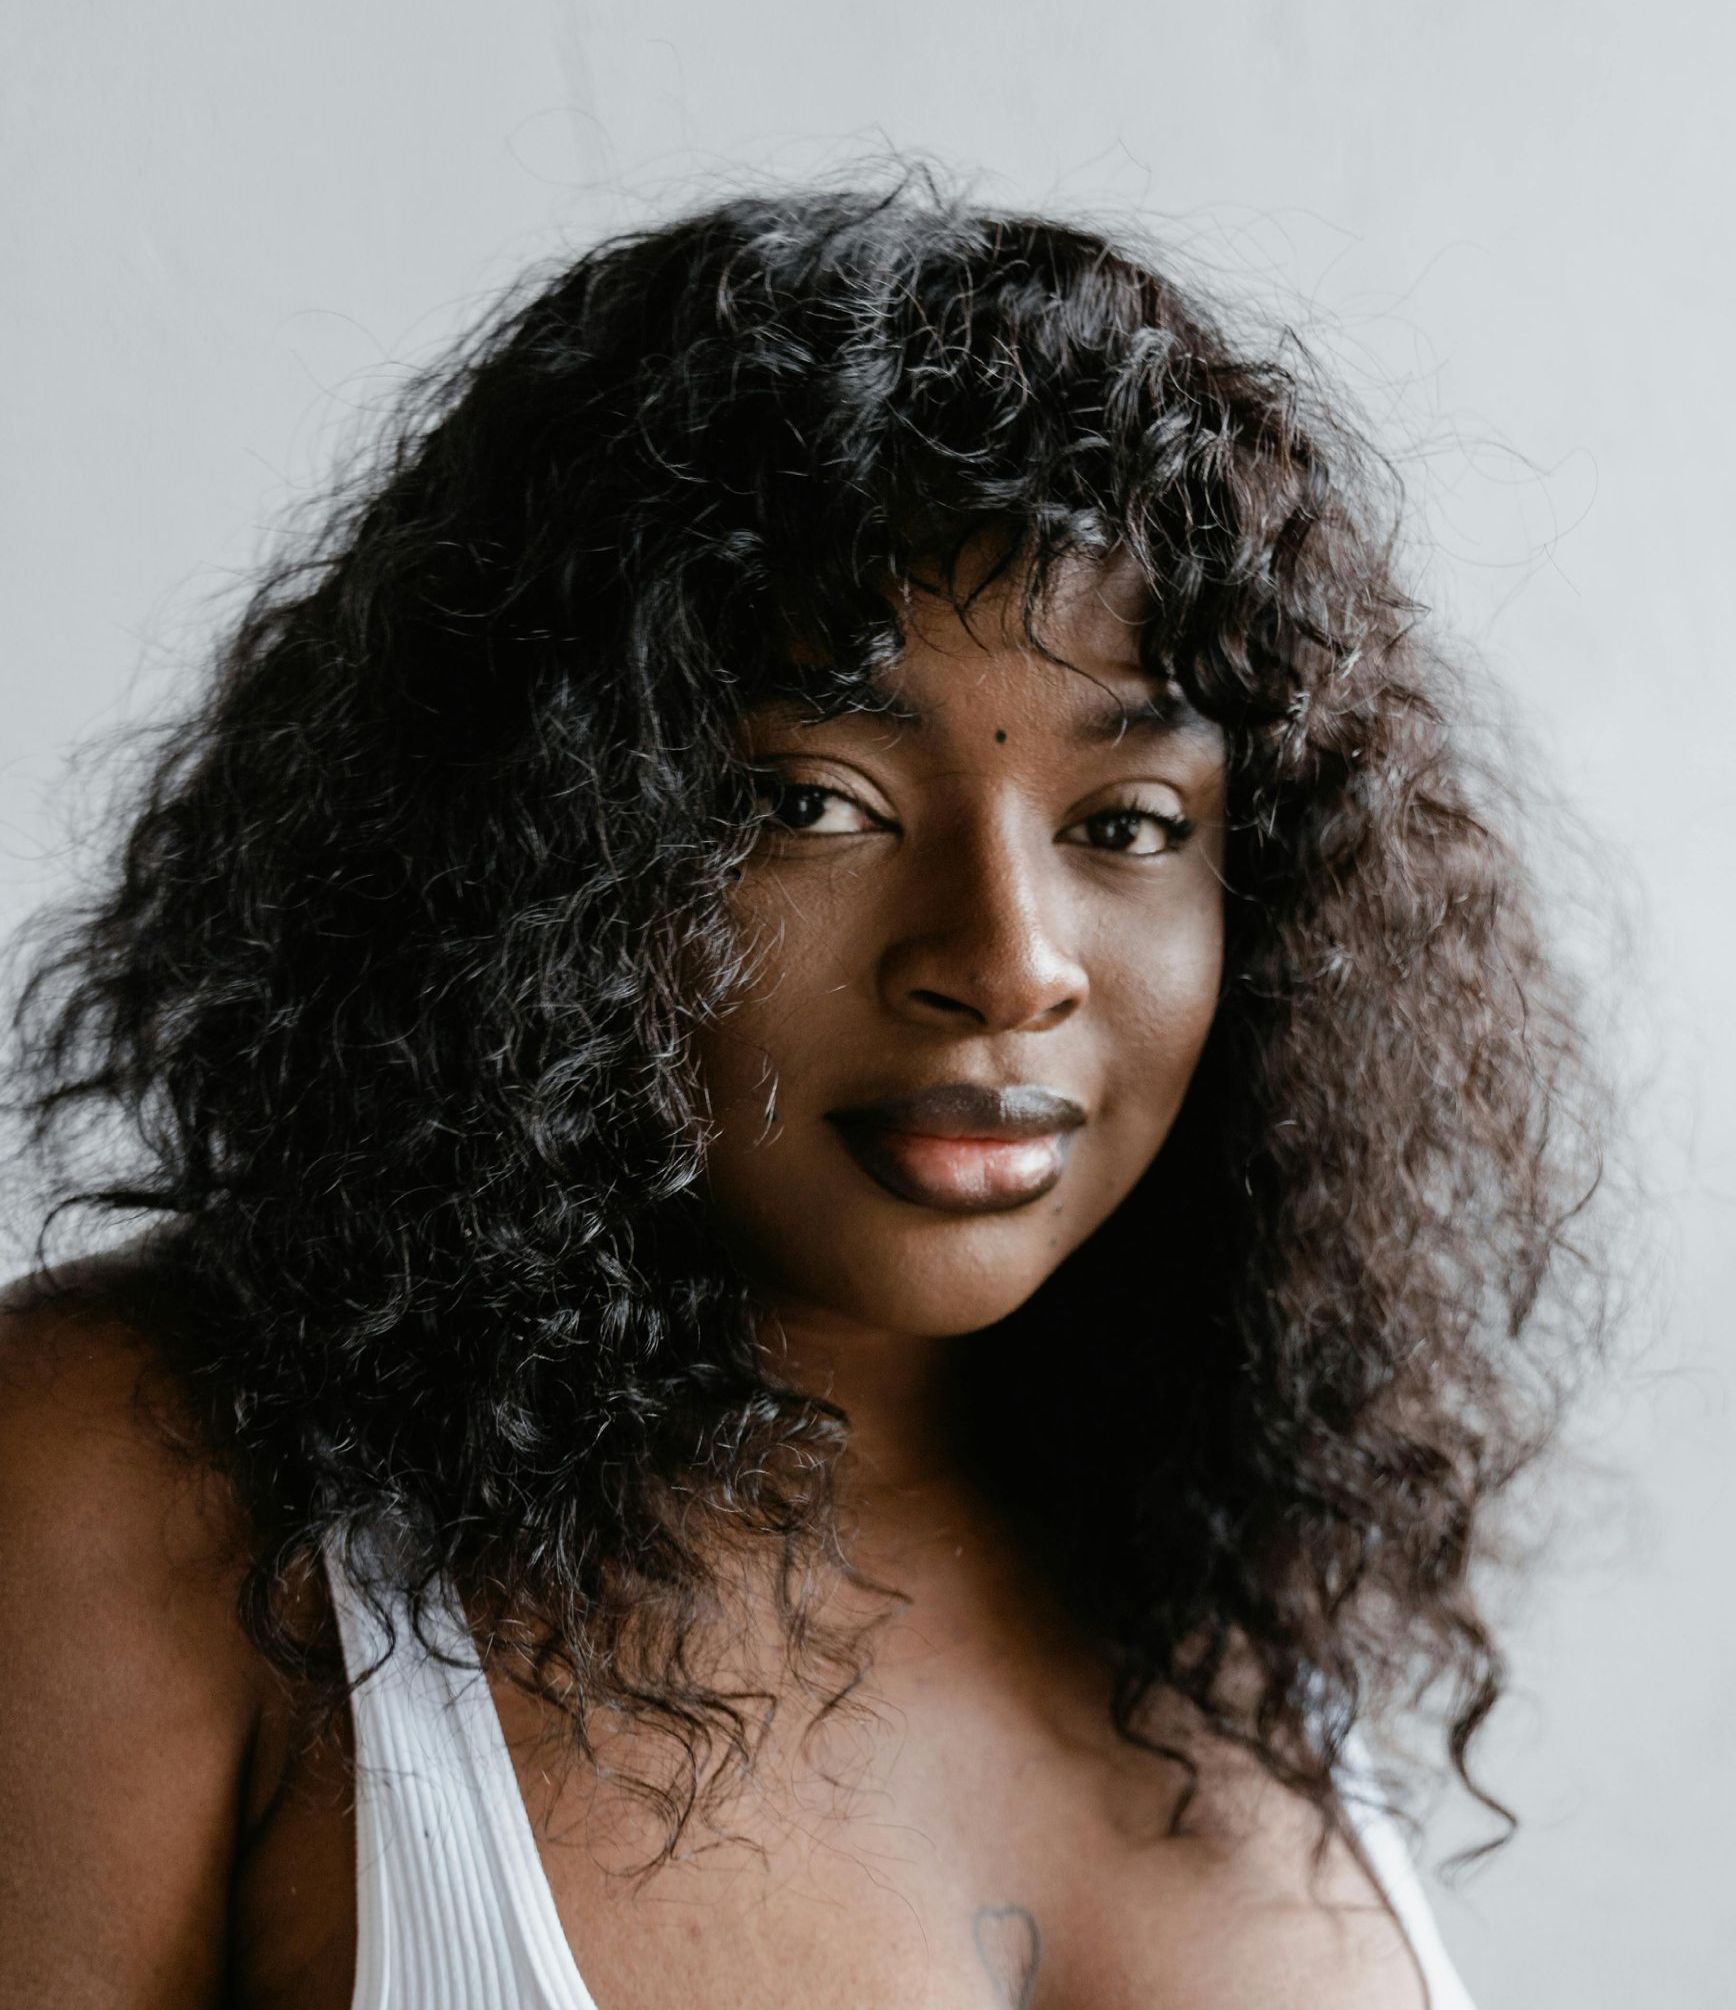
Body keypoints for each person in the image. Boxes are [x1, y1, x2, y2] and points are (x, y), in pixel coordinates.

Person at [0, 178, 1604, 2008]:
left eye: (1130, 824)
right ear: (530, 854)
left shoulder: (1217, 1542)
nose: (1008, 961)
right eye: (808, 800)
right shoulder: (143, 1493)